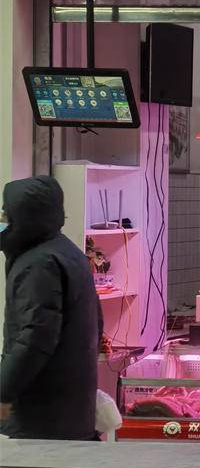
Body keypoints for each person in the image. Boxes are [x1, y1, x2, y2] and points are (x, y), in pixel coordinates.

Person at [0, 176, 101, 439]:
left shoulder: (38, 263)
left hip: (42, 414)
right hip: (71, 410)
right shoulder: (68, 252)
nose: (1, 218)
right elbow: (97, 321)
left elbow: (34, 337)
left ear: (24, 217)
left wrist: (3, 391)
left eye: (6, 213)